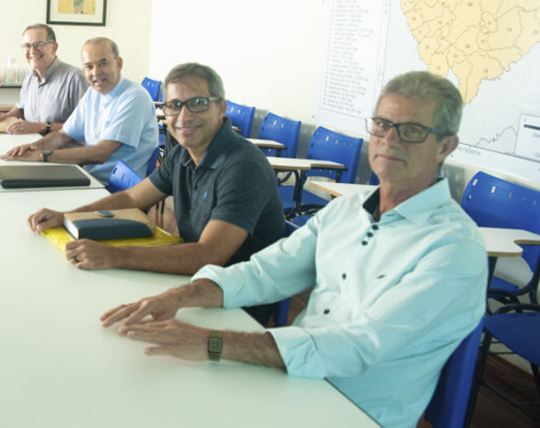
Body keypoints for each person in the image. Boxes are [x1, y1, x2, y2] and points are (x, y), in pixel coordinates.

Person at [100, 71, 487, 428]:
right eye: (383, 125)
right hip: (292, 380)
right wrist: (179, 296)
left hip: (352, 411)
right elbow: (265, 271)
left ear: (445, 145)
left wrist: (212, 342)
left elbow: (359, 347)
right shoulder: (347, 210)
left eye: (412, 130)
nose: (389, 140)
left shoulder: (453, 249)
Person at [26, 63, 283, 324]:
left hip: (236, 305)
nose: (183, 116)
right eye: (174, 105)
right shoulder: (181, 153)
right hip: (193, 281)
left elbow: (208, 255)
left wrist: (114, 256)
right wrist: (67, 216)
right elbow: (131, 198)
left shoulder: (243, 167)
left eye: (197, 103)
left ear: (221, 107)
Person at [0, 37, 158, 185]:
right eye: (89, 66)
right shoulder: (93, 93)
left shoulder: (134, 97)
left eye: (103, 63)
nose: (96, 72)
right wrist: (33, 147)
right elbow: (63, 135)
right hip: (89, 177)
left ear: (119, 64)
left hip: (115, 189)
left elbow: (101, 153)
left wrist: (43, 155)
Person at [0, 23, 86, 135]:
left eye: (39, 44)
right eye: (27, 46)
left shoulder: (74, 78)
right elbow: (22, 110)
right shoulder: (29, 80)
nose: (32, 51)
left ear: (54, 48)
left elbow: (85, 125)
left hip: (62, 146)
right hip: (32, 143)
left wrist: (42, 127)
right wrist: (5, 116)